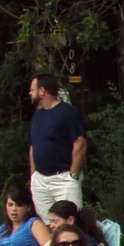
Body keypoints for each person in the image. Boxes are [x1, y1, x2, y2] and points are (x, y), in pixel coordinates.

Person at [28, 72, 87, 213]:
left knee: (70, 222)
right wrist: (33, 176)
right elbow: (32, 146)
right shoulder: (37, 116)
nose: (30, 93)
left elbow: (80, 143)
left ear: (42, 90)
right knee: (47, 224)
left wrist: (73, 176)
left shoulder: (68, 112)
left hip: (64, 178)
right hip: (41, 180)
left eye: (32, 89)